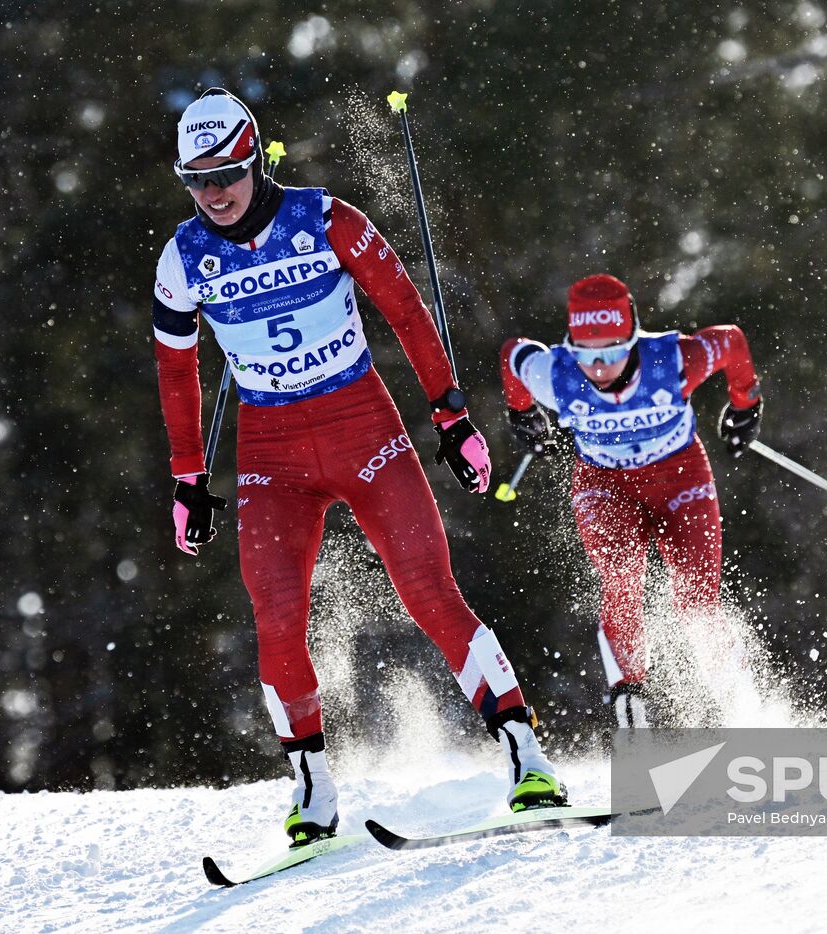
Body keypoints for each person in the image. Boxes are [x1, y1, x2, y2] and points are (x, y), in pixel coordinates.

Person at [151, 88, 563, 846]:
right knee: (275, 621)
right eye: (197, 181)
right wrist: (187, 478)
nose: (214, 194)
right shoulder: (183, 259)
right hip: (270, 451)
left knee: (431, 593)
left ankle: (527, 757)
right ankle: (312, 790)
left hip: (360, 426)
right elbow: (177, 370)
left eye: (227, 175)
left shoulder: (326, 219)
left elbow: (406, 309)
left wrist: (451, 416)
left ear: (253, 160)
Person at [500, 274, 763, 728]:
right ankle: (630, 714)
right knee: (621, 580)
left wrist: (745, 403)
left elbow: (732, 341)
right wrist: (521, 411)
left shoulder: (675, 360)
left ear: (634, 338)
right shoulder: (555, 375)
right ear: (570, 347)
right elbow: (512, 355)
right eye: (588, 355)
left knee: (698, 600)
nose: (600, 367)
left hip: (679, 476)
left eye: (613, 352)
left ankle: (744, 714)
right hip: (604, 484)